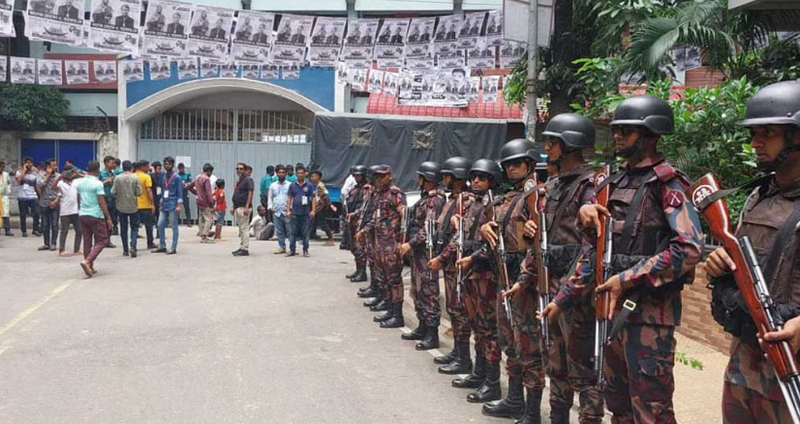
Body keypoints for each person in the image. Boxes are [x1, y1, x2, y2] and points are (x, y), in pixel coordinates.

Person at [546, 95, 704, 424]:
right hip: (609, 313)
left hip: (649, 318)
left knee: (651, 410)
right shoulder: (609, 185)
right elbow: (594, 250)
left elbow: (688, 249)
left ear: (651, 134)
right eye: (616, 130)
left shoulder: (668, 186)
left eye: (627, 131)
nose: (617, 137)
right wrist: (563, 297)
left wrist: (626, 278)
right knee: (618, 404)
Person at [704, 80, 800, 424]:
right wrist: (718, 266)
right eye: (754, 133)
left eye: (768, 133)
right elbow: (744, 265)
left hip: (792, 370)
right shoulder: (758, 198)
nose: (755, 142)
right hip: (746, 361)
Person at [515, 113, 604, 423]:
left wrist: (563, 297)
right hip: (551, 290)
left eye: (552, 142)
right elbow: (542, 241)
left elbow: (591, 251)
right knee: (556, 369)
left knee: (585, 376)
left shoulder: (590, 186)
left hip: (577, 299)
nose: (547, 147)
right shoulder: (553, 186)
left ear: (571, 145)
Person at [479, 139, 546, 422]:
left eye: (516, 164)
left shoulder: (540, 195)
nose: (510, 169)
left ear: (531, 164)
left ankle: (531, 411)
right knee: (510, 343)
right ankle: (515, 399)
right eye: (507, 165)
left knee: (530, 348)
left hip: (528, 283)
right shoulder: (507, 200)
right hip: (504, 278)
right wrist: (484, 227)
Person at [427, 157, 473, 374]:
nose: (443, 179)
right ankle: (457, 351)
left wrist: (442, 258)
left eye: (447, 175)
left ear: (457, 177)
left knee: (460, 311)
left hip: (458, 265)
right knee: (454, 310)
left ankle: (464, 358)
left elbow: (459, 238)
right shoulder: (452, 200)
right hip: (450, 265)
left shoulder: (466, 201)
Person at [397, 161, 447, 350]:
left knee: (428, 292)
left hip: (427, 252)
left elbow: (429, 228)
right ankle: (422, 326)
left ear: (428, 179)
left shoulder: (435, 200)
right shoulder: (425, 198)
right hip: (419, 253)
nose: (418, 181)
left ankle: (432, 334)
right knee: (417, 290)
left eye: (422, 177)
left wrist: (410, 244)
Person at [356, 165, 406, 328]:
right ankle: (389, 308)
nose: (378, 179)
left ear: (389, 176)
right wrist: (365, 230)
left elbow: (404, 217)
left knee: (394, 279)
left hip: (391, 244)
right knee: (383, 277)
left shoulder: (395, 194)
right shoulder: (379, 195)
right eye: (376, 177)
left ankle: (397, 315)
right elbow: (376, 218)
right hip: (379, 243)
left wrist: (402, 241)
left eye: (381, 176)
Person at [76, 160, 114, 278]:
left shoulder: (80, 183)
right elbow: (101, 201)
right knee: (102, 239)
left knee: (87, 241)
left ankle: (90, 266)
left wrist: (81, 210)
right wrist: (108, 217)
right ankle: (88, 261)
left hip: (83, 214)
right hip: (96, 214)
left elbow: (79, 198)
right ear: (97, 170)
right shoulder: (98, 184)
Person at [111, 160, 142, 257]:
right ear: (131, 168)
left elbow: (113, 192)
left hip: (121, 206)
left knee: (123, 228)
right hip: (133, 206)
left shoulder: (118, 178)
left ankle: (125, 250)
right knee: (134, 227)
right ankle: (133, 246)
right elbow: (139, 192)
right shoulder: (135, 177)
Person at [153, 157, 184, 255]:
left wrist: (179, 205)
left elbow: (180, 192)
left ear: (173, 165)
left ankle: (173, 247)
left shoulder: (177, 177)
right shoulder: (163, 176)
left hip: (173, 204)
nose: (167, 166)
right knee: (160, 224)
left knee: (173, 226)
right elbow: (162, 190)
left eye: (169, 164)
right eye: (165, 164)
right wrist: (161, 202)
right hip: (164, 203)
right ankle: (162, 245)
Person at [344, 166, 369, 280]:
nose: (357, 177)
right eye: (356, 175)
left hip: (360, 222)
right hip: (351, 222)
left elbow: (365, 207)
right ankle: (358, 269)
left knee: (360, 249)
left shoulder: (367, 189)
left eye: (359, 175)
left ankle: (362, 272)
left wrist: (355, 214)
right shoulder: (354, 188)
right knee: (354, 248)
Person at [286, 165, 316, 257]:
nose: (300, 175)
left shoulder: (310, 186)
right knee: (293, 233)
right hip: (294, 212)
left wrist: (313, 210)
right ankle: (292, 250)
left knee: (305, 233)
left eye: (302, 173)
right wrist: (288, 210)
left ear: (305, 174)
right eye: (298, 173)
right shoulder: (292, 185)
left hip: (305, 213)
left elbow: (314, 198)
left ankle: (305, 250)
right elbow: (289, 198)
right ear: (296, 174)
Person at [56, 168, 82, 256]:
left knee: (79, 230)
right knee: (64, 230)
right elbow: (53, 187)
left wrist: (77, 173)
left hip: (75, 210)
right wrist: (59, 178)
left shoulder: (76, 182)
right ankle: (61, 249)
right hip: (65, 210)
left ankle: (76, 249)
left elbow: (86, 177)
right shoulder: (61, 183)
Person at [37, 159, 60, 251]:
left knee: (54, 224)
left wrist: (56, 201)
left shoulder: (58, 176)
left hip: (55, 203)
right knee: (45, 224)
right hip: (44, 203)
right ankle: (46, 243)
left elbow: (60, 190)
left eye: (56, 165)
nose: (56, 167)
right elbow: (40, 185)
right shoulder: (41, 175)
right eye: (53, 166)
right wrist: (48, 175)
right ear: (48, 167)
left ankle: (53, 243)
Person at [232, 164, 254, 256]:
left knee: (244, 228)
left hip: (244, 207)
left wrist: (247, 206)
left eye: (241, 169)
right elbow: (236, 193)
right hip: (238, 207)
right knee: (241, 228)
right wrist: (233, 206)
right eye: (237, 168)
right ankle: (241, 247)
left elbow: (250, 193)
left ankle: (245, 249)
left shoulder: (248, 180)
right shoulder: (239, 181)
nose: (239, 170)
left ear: (245, 170)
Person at [269, 165, 292, 254]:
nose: (281, 174)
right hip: (276, 211)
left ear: (285, 174)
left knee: (290, 230)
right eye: (279, 172)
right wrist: (270, 207)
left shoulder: (290, 185)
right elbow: (270, 197)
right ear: (277, 174)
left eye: (283, 172)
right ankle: (282, 247)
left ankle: (291, 247)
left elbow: (292, 197)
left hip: (287, 211)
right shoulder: (273, 185)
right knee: (279, 230)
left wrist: (291, 208)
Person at [15, 157, 41, 237]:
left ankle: (35, 229)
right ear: (24, 164)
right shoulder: (19, 172)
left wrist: (40, 195)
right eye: (27, 163)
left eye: (30, 163)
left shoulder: (34, 174)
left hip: (33, 196)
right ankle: (24, 231)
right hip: (22, 197)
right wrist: (24, 170)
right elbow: (19, 180)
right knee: (23, 214)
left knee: (37, 213)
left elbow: (36, 185)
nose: (29, 164)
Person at [309, 170, 336, 246]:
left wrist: (328, 205)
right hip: (318, 207)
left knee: (323, 224)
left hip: (320, 207)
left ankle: (331, 239)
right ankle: (308, 237)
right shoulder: (317, 185)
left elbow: (325, 195)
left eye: (313, 176)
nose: (312, 178)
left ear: (317, 177)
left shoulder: (320, 186)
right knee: (312, 222)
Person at [135, 161, 157, 250]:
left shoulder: (133, 176)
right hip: (146, 205)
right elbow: (148, 190)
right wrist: (152, 204)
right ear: (142, 167)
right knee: (149, 226)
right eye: (147, 167)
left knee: (135, 226)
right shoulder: (146, 177)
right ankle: (150, 243)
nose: (148, 168)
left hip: (135, 205)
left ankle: (133, 244)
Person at [191, 163, 215, 244]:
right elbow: (208, 193)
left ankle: (201, 234)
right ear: (208, 171)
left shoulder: (198, 178)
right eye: (211, 172)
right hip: (205, 202)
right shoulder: (206, 179)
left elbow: (190, 186)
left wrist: (196, 192)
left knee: (201, 218)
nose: (211, 174)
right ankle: (204, 236)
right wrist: (211, 204)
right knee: (209, 219)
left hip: (199, 201)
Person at [99, 156, 120, 242]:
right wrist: (106, 181)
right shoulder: (101, 174)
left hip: (112, 198)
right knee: (103, 219)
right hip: (104, 198)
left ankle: (108, 239)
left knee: (111, 219)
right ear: (107, 163)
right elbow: (97, 185)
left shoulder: (113, 174)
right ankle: (102, 239)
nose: (114, 165)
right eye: (112, 163)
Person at [339, 168, 358, 251]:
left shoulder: (351, 179)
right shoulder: (351, 179)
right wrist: (348, 199)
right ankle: (346, 243)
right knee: (348, 223)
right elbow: (344, 192)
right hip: (349, 203)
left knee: (348, 223)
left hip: (349, 202)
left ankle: (345, 243)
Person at [0, 160, 12, 235]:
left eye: (3, 167)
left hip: (4, 196)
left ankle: (7, 230)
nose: (1, 168)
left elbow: (8, 183)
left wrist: (8, 191)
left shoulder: (6, 174)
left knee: (6, 213)